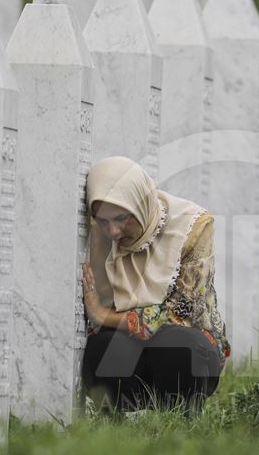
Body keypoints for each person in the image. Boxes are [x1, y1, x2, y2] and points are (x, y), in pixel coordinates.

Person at [81, 156, 230, 415]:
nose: (113, 231)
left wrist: (104, 316)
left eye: (121, 218)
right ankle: (126, 417)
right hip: (132, 349)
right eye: (102, 221)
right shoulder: (101, 237)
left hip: (187, 345)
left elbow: (181, 311)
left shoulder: (193, 227)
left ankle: (181, 414)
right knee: (103, 347)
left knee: (178, 344)